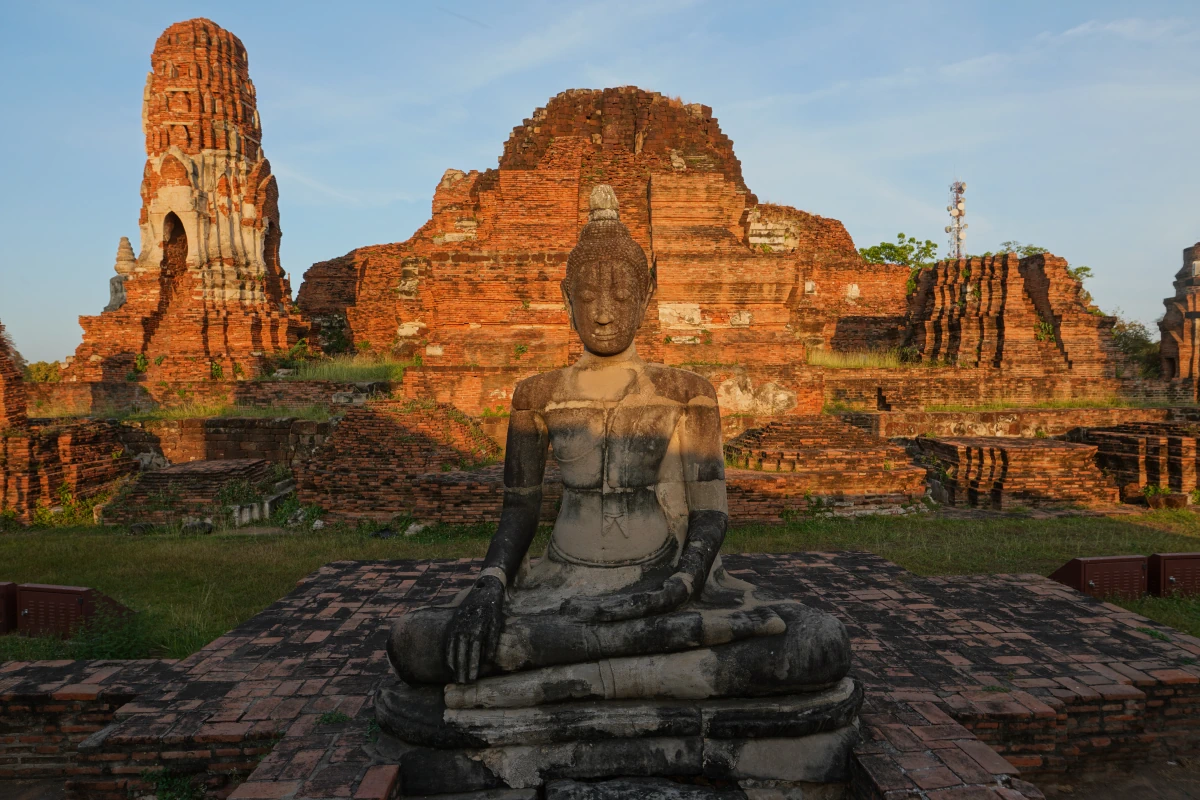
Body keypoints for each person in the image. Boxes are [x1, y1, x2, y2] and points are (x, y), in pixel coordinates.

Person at [386, 185, 850, 710]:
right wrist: (490, 586)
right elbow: (518, 510)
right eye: (587, 298)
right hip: (562, 584)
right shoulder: (537, 395)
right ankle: (649, 674)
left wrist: (678, 585)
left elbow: (711, 514)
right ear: (567, 300)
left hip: (663, 584)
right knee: (414, 642)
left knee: (818, 641)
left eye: (621, 296)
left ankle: (559, 679)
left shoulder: (685, 392)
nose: (603, 313)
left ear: (647, 296)